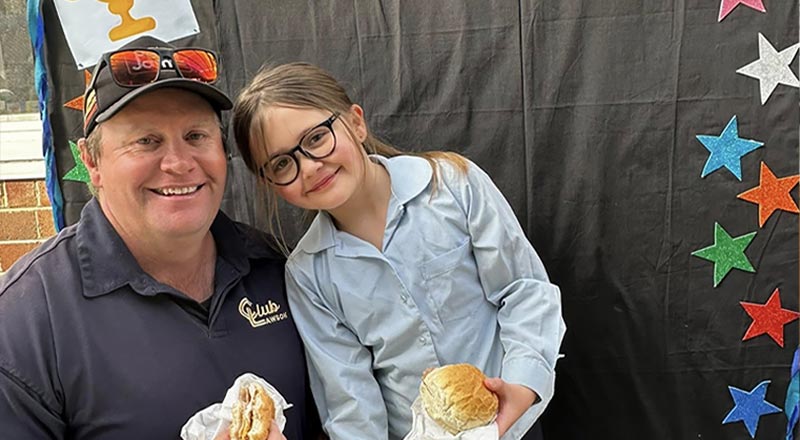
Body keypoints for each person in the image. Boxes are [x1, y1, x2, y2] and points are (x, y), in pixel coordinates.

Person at [0, 37, 321, 440]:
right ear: (92, 162)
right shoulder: (26, 320)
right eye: (146, 141)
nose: (179, 163)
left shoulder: (280, 270)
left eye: (196, 136)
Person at [232, 62, 566, 440]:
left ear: (356, 123)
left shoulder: (453, 185)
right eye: (281, 163)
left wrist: (522, 385)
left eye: (316, 138)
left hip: (512, 425)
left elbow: (524, 290)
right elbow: (350, 399)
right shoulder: (308, 273)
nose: (308, 167)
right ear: (270, 183)